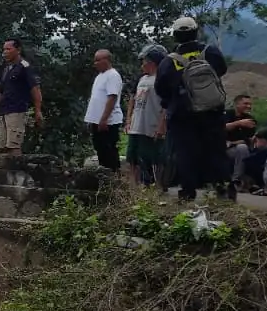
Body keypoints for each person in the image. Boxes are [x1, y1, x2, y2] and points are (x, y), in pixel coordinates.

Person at [154, 15, 230, 204]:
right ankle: (223, 189)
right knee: (217, 151)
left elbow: (160, 88)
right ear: (196, 32)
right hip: (212, 111)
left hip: (183, 115)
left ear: (175, 35)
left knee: (186, 153)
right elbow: (221, 70)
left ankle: (188, 192)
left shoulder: (169, 61)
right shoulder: (210, 52)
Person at [0, 39, 42, 154]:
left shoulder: (24, 66)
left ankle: (17, 171)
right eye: (4, 49)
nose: (5, 52)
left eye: (8, 49)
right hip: (4, 111)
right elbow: (1, 91)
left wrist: (38, 110)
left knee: (13, 146)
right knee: (3, 146)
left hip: (17, 110)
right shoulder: (7, 68)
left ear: (18, 50)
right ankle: (5, 172)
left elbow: (35, 88)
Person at [125, 46, 167, 185]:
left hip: (151, 126)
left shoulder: (161, 80)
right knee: (133, 157)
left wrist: (161, 126)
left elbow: (165, 106)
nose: (142, 65)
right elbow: (133, 98)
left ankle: (157, 186)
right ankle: (135, 185)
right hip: (137, 125)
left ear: (152, 63)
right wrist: (129, 120)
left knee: (153, 157)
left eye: (144, 61)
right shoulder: (141, 79)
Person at [84, 49, 125, 171]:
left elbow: (112, 98)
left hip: (108, 122)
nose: (95, 63)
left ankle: (113, 179)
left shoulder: (113, 75)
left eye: (98, 60)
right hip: (97, 122)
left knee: (109, 151)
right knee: (100, 150)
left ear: (106, 60)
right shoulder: (99, 77)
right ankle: (104, 178)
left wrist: (104, 119)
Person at [224, 94, 258, 196]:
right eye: (246, 103)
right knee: (242, 148)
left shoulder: (250, 119)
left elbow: (248, 140)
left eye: (250, 104)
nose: (249, 106)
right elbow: (219, 129)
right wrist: (238, 123)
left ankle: (240, 181)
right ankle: (236, 181)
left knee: (245, 149)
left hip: (241, 150)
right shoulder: (227, 114)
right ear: (237, 104)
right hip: (224, 150)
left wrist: (234, 142)